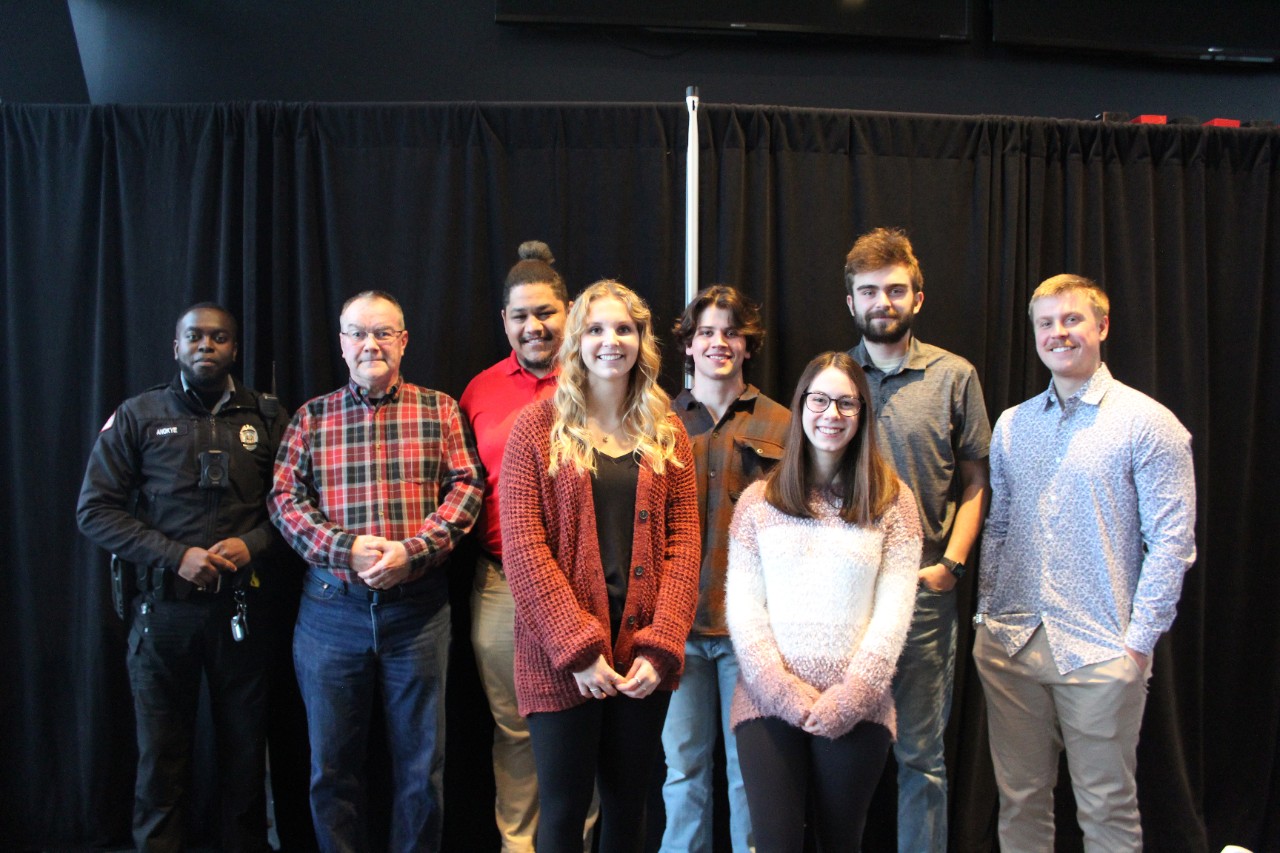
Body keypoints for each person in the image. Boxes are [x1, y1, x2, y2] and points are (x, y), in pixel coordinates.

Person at [974, 274, 1197, 853]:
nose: (1059, 333)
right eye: (1046, 323)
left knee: (1106, 809)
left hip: (1101, 650)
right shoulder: (1013, 424)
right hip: (1011, 642)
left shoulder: (1148, 423)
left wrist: (1137, 646)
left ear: (1102, 326)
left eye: (1072, 319)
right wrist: (985, 617)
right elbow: (999, 526)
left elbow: (1172, 542)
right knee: (1020, 801)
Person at [269, 290, 484, 852]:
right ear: (342, 344)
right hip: (330, 615)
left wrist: (412, 551)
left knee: (421, 769)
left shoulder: (440, 410)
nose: (371, 344)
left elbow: (467, 488)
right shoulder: (311, 418)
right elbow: (285, 501)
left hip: (418, 614)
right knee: (331, 768)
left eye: (383, 333)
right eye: (358, 333)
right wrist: (346, 549)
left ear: (403, 341)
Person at [77, 303, 287, 852]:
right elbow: (94, 511)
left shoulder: (267, 417)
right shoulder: (138, 415)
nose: (206, 346)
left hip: (243, 614)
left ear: (234, 349)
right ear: (176, 347)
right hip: (163, 613)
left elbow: (296, 509)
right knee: (161, 759)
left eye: (219, 338)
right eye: (194, 337)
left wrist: (252, 544)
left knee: (245, 756)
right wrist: (175, 556)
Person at [499, 279, 700, 853]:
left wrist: (661, 646)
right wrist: (579, 650)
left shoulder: (668, 432)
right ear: (576, 341)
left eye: (624, 329)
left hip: (641, 659)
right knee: (563, 812)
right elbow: (524, 548)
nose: (611, 341)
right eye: (595, 329)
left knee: (628, 806)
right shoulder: (536, 430)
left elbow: (684, 546)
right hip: (560, 658)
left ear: (642, 341)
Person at [726, 351, 922, 853]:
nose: (831, 414)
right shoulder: (757, 503)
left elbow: (894, 612)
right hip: (767, 702)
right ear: (800, 406)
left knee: (840, 843)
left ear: (862, 414)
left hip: (858, 705)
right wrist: (780, 690)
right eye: (819, 400)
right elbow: (745, 610)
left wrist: (855, 695)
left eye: (846, 403)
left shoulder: (893, 502)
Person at [843, 227, 991, 853]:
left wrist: (952, 564)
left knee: (922, 758)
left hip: (923, 592)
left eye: (895, 290)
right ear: (851, 300)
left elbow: (977, 479)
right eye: (869, 291)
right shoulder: (834, 377)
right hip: (843, 592)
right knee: (838, 748)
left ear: (918, 299)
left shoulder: (954, 376)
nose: (883, 302)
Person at [459, 240, 597, 852]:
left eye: (545, 313)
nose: (533, 327)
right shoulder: (479, 392)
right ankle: (518, 845)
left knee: (583, 722)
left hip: (585, 584)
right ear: (505, 321)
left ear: (569, 313)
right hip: (502, 585)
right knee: (515, 727)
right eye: (520, 316)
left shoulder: (600, 381)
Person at [659, 284, 789, 853]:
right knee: (682, 773)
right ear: (688, 345)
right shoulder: (658, 421)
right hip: (676, 632)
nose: (719, 342)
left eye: (732, 332)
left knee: (750, 777)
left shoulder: (785, 423)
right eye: (706, 332)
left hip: (751, 635)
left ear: (748, 345)